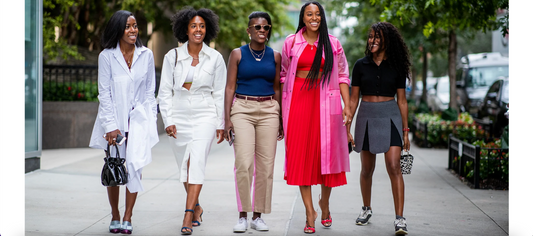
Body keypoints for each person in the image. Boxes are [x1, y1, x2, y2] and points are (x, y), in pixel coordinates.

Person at [280, 2, 351, 234]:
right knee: (302, 156)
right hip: (299, 102)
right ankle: (310, 212)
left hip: (325, 102)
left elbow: (342, 75)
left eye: (317, 14)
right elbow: (283, 74)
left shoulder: (332, 43)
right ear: (303, 17)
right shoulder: (291, 41)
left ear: (322, 17)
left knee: (326, 157)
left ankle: (325, 204)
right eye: (309, 14)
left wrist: (347, 105)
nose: (314, 18)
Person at [88, 10, 159, 234]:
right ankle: (115, 215)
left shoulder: (146, 54)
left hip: (138, 122)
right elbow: (104, 93)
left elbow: (150, 91)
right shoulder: (107, 56)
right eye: (128, 26)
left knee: (135, 168)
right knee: (114, 168)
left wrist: (151, 120)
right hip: (114, 123)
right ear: (118, 29)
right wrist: (111, 126)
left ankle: (128, 215)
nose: (133, 30)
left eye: (135, 26)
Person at [157, 6, 226, 235]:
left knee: (196, 163)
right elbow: (165, 91)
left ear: (208, 29)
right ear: (185, 30)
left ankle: (187, 214)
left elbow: (219, 92)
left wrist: (220, 123)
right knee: (184, 167)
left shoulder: (215, 58)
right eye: (194, 26)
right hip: (178, 115)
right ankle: (196, 206)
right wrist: (168, 119)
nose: (198, 30)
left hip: (205, 114)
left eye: (202, 26)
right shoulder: (173, 56)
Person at [347, 22, 412, 235]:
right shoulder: (360, 65)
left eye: (377, 37)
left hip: (390, 117)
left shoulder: (397, 66)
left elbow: (402, 101)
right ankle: (366, 209)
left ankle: (400, 219)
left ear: (386, 41)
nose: (372, 41)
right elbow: (354, 99)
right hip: (366, 116)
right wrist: (347, 126)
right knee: (367, 169)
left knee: (394, 166)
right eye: (370, 37)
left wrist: (405, 131)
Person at [224, 11, 283, 233]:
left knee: (266, 167)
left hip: (269, 109)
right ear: (249, 30)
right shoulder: (237, 54)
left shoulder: (275, 56)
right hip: (242, 109)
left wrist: (280, 118)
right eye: (257, 27)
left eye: (265, 27)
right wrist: (227, 119)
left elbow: (278, 87)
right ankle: (242, 215)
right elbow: (230, 87)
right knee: (243, 163)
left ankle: (258, 216)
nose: (261, 31)